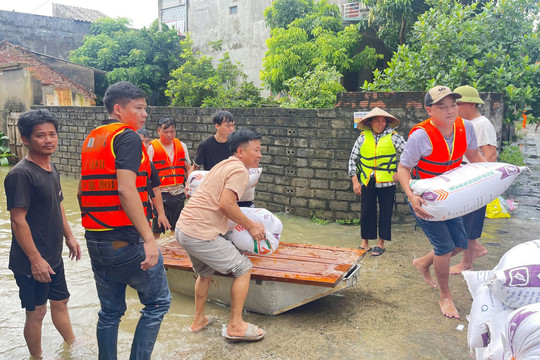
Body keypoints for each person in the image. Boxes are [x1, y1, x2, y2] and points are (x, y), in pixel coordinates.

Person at [78, 81, 171, 359]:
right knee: (157, 303)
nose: (144, 114)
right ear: (118, 109)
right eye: (138, 108)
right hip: (125, 240)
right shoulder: (128, 137)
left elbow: (83, 190)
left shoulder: (93, 138)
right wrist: (148, 240)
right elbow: (126, 188)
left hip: (96, 238)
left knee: (110, 312)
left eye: (145, 108)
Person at [396, 85, 486, 319]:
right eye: (442, 107)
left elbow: (475, 157)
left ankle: (423, 262)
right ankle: (445, 297)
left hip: (450, 195)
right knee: (445, 248)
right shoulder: (420, 136)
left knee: (461, 244)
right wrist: (411, 196)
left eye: (453, 105)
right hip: (425, 198)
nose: (450, 111)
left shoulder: (466, 128)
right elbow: (403, 168)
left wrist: (489, 178)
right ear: (429, 110)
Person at [176, 129, 266, 342]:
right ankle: (236, 325)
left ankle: (199, 320)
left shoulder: (223, 164)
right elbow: (226, 204)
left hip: (184, 228)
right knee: (243, 268)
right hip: (200, 233)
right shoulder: (239, 171)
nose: (260, 155)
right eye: (256, 150)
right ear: (240, 151)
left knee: (205, 273)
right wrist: (252, 226)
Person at [4, 109, 81, 358]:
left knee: (60, 302)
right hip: (31, 261)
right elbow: (18, 221)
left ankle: (72, 345)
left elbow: (58, 203)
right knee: (37, 313)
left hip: (53, 255)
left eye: (52, 134)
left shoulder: (50, 166)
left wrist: (69, 236)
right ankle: (36, 357)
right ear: (26, 139)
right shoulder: (20, 174)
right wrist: (36, 259)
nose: (49, 140)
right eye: (40, 135)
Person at [449, 85, 498, 275]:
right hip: (465, 177)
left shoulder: (482, 124)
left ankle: (467, 263)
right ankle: (476, 249)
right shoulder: (464, 124)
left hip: (475, 179)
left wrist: (481, 181)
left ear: (470, 104)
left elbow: (491, 155)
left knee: (469, 222)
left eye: (457, 104)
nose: (454, 108)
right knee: (463, 219)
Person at [348, 107, 406, 256]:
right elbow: (352, 160)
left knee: (386, 211)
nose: (380, 124)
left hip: (387, 181)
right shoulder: (362, 137)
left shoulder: (394, 137)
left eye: (383, 121)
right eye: (377, 120)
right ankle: (364, 243)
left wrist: (400, 172)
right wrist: (355, 181)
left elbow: (409, 155)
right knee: (367, 211)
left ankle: (381, 243)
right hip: (368, 180)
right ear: (370, 122)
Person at [147, 117, 191, 239]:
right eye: (165, 132)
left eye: (172, 131)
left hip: (178, 192)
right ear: (158, 131)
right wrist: (149, 195)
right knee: (157, 228)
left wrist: (188, 185)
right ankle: (154, 249)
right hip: (161, 193)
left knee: (178, 227)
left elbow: (188, 168)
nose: (169, 135)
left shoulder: (182, 146)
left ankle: (175, 252)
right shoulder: (152, 148)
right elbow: (147, 173)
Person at [137, 128, 170, 230]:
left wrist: (161, 214)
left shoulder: (149, 165)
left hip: (143, 208)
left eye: (147, 142)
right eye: (141, 141)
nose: (144, 145)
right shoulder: (123, 162)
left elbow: (156, 189)